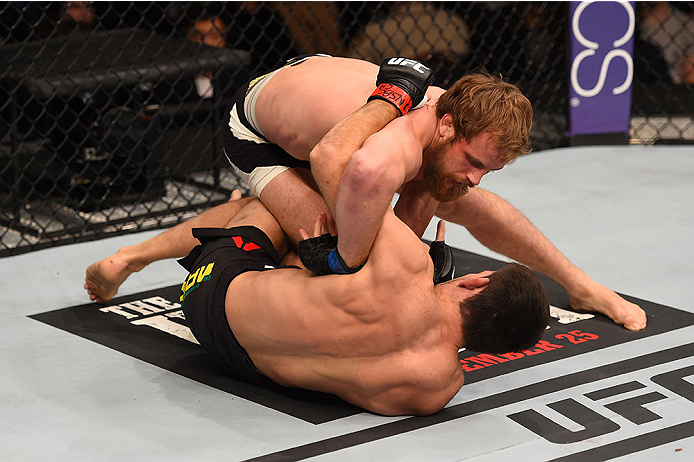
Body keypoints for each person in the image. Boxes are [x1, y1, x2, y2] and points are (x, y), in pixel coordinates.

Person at [86, 55, 646, 332]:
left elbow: (422, 199)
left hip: (323, 108)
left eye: (489, 167)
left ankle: (580, 285)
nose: (477, 173)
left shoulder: (460, 113)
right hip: (257, 129)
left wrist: (415, 230)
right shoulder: (388, 145)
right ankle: (131, 256)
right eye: (476, 161)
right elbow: (337, 163)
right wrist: (391, 249)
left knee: (458, 198)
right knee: (310, 234)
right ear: (448, 127)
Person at [176, 193, 550, 416]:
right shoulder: (439, 388)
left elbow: (356, 180)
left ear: (474, 283)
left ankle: (131, 257)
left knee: (278, 200)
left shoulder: (407, 268)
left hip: (209, 290)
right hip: (237, 362)